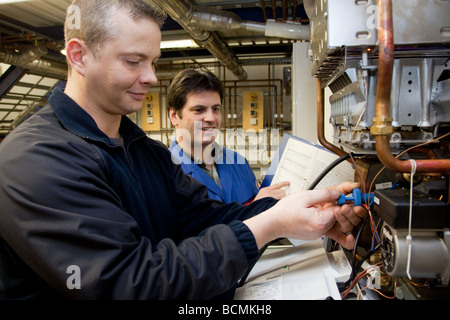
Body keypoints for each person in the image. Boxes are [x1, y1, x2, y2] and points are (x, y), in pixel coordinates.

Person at [0, 0, 365, 300]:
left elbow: (206, 218)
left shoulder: (144, 152)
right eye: (133, 61)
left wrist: (304, 210)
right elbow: (126, 284)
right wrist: (269, 225)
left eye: (153, 62)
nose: (151, 78)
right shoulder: (36, 160)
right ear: (78, 56)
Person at [168, 68, 289, 204]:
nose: (211, 118)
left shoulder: (239, 163)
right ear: (174, 116)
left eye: (215, 109)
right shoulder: (165, 175)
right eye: (198, 110)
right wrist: (252, 211)